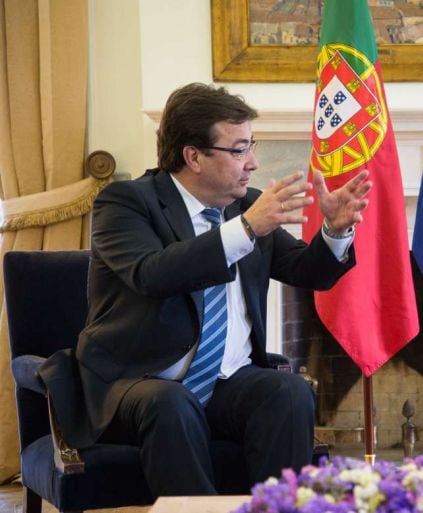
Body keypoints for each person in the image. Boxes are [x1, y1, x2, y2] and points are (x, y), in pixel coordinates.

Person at [44, 82, 372, 496]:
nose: (252, 162)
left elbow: (310, 272)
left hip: (226, 383)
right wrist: (247, 228)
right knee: (170, 402)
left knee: (287, 391)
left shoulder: (243, 206)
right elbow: (152, 274)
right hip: (132, 382)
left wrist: (335, 230)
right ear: (193, 156)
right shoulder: (125, 203)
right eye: (238, 149)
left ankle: (278, 510)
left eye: (251, 145)